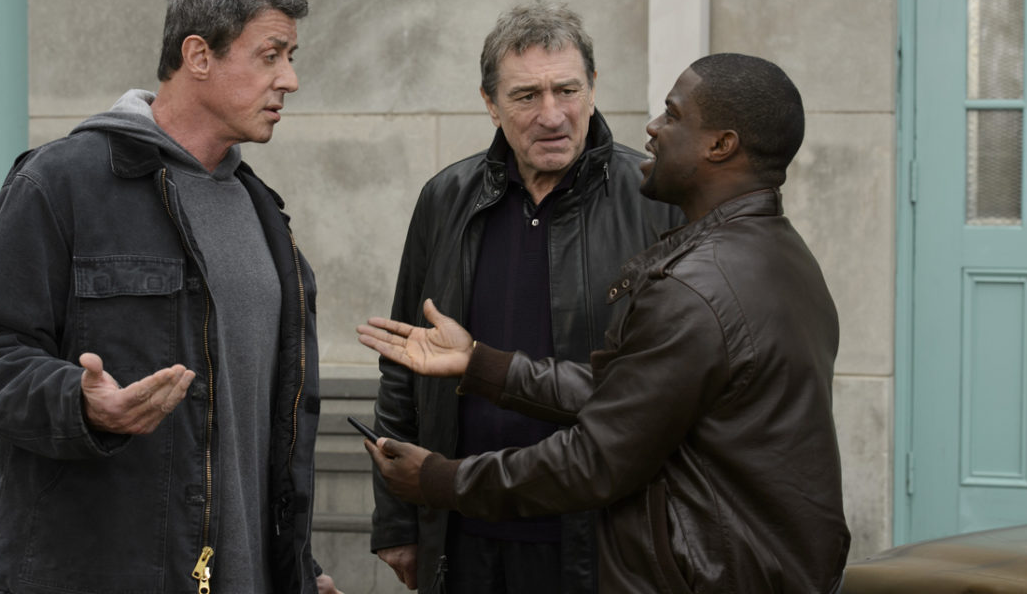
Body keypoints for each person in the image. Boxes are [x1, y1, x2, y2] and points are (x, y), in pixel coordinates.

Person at [358, 53, 850, 593]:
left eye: (672, 114)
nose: (653, 127)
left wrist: (438, 479)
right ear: (491, 104)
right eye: (526, 95)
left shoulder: (697, 286)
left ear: (720, 145)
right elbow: (635, 392)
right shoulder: (777, 251)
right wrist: (479, 364)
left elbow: (597, 456)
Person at [0, 0, 339, 592]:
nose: (290, 79)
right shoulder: (61, 182)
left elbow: (259, 432)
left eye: (291, 57)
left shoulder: (263, 213)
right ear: (198, 56)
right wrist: (80, 404)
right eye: (270, 55)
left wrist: (298, 571)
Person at [369, 1, 683, 593]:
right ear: (490, 103)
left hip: (602, 538)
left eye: (567, 90)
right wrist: (397, 520)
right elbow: (402, 363)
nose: (552, 115)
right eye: (525, 96)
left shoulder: (656, 199)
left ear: (593, 87)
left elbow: (673, 386)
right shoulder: (445, 198)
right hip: (464, 533)